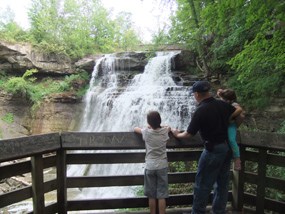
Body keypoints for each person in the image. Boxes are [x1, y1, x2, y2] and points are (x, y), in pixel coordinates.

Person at [171, 81, 242, 214]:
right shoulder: (223, 104)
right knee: (222, 183)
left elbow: (189, 134)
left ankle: (197, 212)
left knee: (202, 184)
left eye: (193, 94)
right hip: (226, 148)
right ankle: (219, 211)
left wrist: (177, 134)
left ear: (197, 94)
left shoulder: (201, 110)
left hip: (213, 149)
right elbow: (238, 113)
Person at [134, 111, 171, 214]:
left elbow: (135, 129)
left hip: (150, 166)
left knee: (151, 195)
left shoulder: (146, 132)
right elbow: (168, 127)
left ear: (149, 123)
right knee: (162, 195)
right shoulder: (164, 132)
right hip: (162, 166)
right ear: (160, 120)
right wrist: (161, 126)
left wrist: (148, 127)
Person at [217, 88, 245, 171]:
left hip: (231, 125)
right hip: (224, 125)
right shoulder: (224, 98)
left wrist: (230, 117)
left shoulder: (234, 104)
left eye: (225, 99)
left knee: (231, 140)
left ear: (231, 100)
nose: (223, 100)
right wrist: (220, 93)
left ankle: (237, 159)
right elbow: (219, 92)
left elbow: (239, 109)